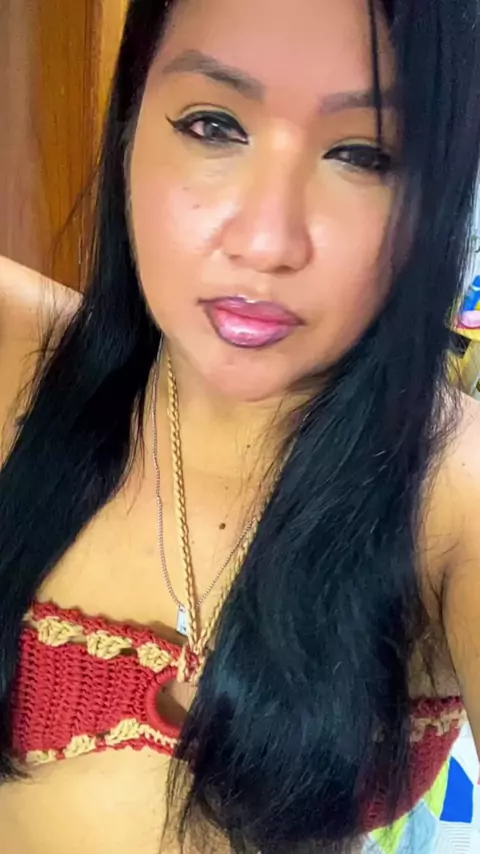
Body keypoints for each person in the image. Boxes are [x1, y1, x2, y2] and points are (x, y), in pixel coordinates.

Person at [0, 0, 479, 851]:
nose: (265, 242)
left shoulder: (454, 495)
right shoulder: (19, 358)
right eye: (213, 125)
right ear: (130, 126)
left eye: (364, 154)